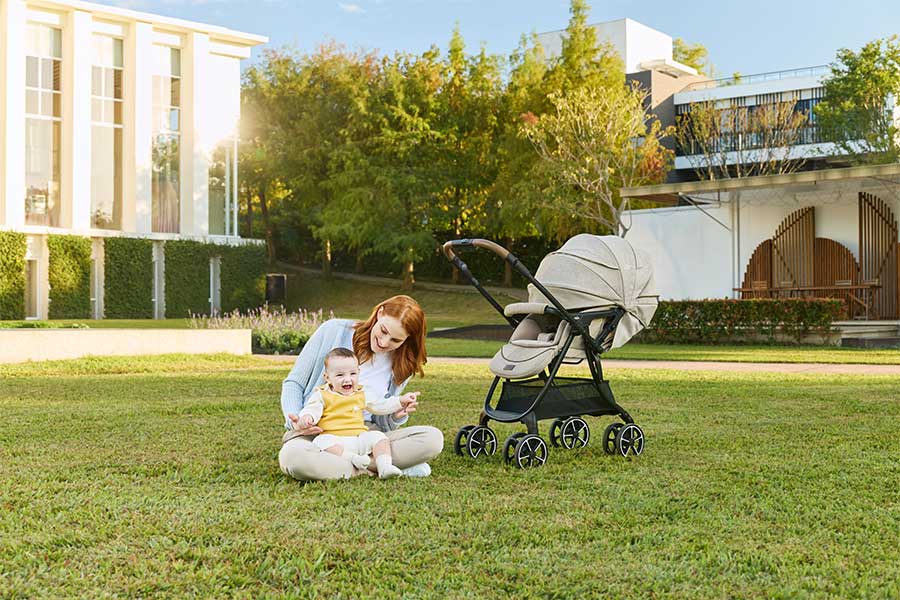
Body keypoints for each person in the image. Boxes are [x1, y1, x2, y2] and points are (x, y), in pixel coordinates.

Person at [279, 295, 444, 481]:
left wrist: (396, 416)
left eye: (395, 340)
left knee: (432, 439)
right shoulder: (333, 331)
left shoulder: (401, 364)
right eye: (383, 331)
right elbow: (294, 383)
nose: (384, 342)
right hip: (319, 433)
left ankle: (351, 466)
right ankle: (377, 467)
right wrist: (297, 420)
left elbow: (381, 420)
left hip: (365, 434)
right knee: (294, 458)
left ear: (406, 339)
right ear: (379, 313)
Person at [296, 347, 420, 479]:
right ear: (327, 378)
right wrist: (307, 417)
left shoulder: (362, 393)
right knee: (320, 441)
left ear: (359, 373)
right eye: (340, 375)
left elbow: (380, 405)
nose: (347, 379)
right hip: (334, 439)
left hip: (359, 438)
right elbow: (312, 409)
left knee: (379, 437)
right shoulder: (322, 394)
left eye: (353, 374)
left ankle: (385, 466)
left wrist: (400, 401)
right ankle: (354, 459)